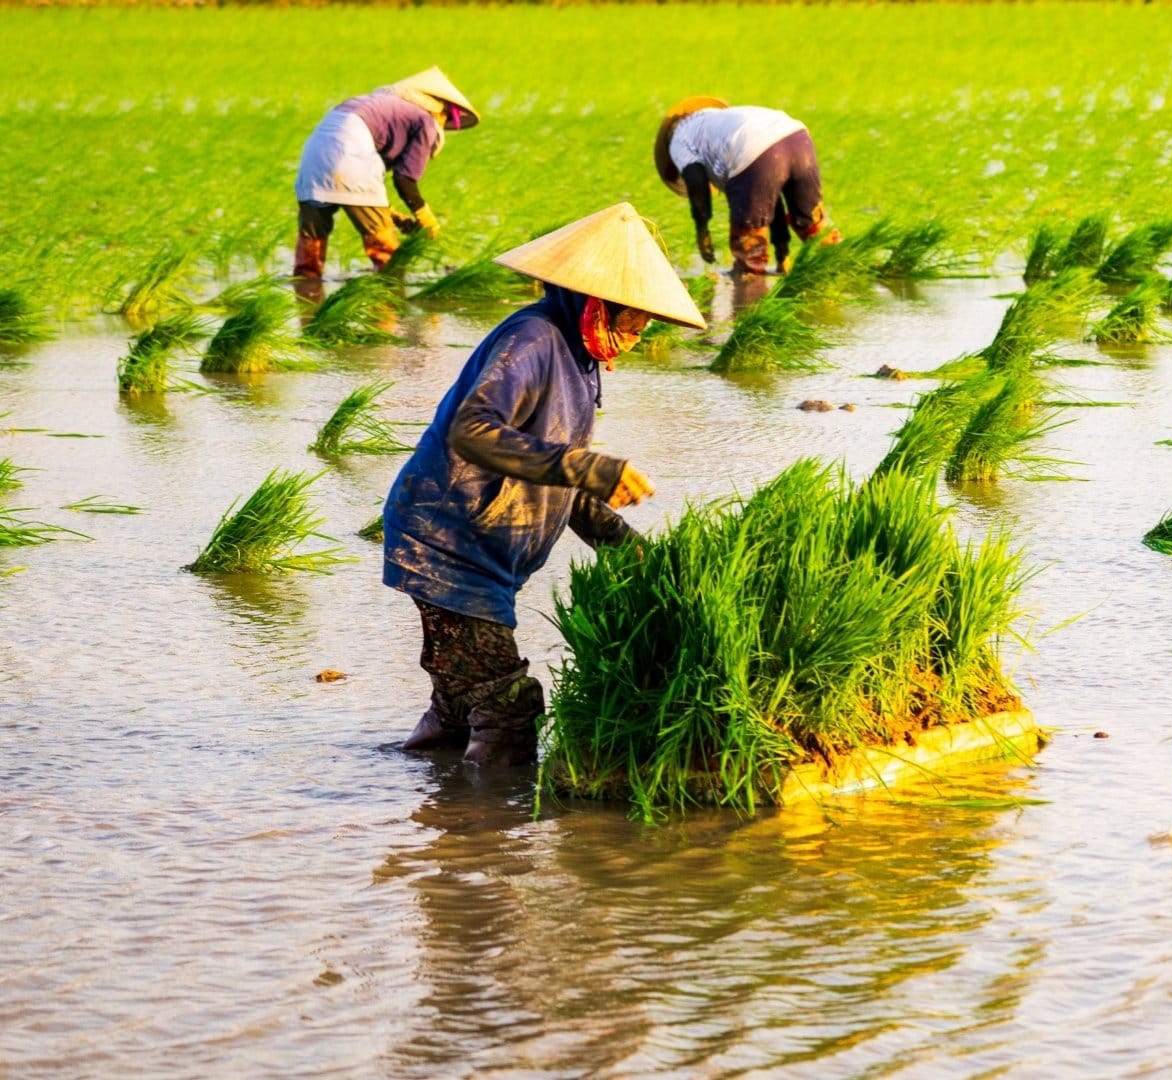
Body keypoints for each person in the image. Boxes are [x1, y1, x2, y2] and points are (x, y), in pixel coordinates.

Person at [381, 202, 706, 767]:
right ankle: (496, 845)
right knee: (509, 706)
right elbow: (473, 431)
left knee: (461, 709)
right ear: (595, 302)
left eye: (644, 322)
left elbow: (554, 471)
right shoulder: (532, 340)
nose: (636, 334)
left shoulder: (580, 359)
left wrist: (626, 547)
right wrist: (596, 469)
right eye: (631, 318)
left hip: (482, 552)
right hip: (448, 545)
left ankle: (438, 821)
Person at [294, 66, 479, 280]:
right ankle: (389, 309)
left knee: (309, 261)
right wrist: (425, 216)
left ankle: (307, 304)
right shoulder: (425, 119)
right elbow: (404, 180)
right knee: (388, 260)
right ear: (441, 110)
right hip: (353, 162)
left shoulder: (377, 105)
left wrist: (393, 215)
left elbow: (354, 176)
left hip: (311, 164)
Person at [655, 96, 843, 276]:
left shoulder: (679, 139)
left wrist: (702, 230)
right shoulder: (721, 122)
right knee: (813, 227)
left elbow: (696, 181)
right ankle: (845, 270)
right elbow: (770, 196)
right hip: (797, 138)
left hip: (757, 154)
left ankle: (751, 294)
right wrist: (781, 253)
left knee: (749, 252)